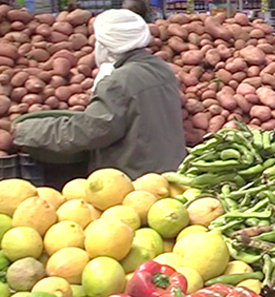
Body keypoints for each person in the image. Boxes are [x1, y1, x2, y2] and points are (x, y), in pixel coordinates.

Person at [13, 9, 186, 179]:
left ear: (106, 45)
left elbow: (91, 130)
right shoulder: (162, 68)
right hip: (167, 170)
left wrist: (29, 130)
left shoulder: (118, 82)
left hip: (133, 178)